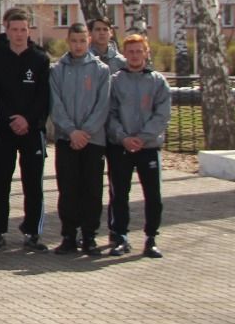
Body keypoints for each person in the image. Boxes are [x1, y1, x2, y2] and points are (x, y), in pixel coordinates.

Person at [0, 7, 52, 250]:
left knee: (33, 184)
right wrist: (11, 118)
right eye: (15, 30)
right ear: (7, 30)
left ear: (28, 30)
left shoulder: (40, 59)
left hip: (32, 131)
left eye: (23, 29)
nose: (19, 34)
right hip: (3, 129)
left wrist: (28, 120)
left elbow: (44, 96)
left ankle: (32, 233)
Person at [105, 34, 171, 258]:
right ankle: (120, 236)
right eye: (130, 52)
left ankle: (151, 237)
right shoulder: (115, 80)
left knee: (153, 195)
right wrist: (123, 137)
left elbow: (162, 115)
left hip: (148, 147)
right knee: (119, 194)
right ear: (125, 54)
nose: (134, 56)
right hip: (121, 147)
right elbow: (110, 113)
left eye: (138, 51)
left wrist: (143, 137)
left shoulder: (157, 81)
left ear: (146, 52)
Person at [50, 23, 112, 256]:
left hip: (93, 140)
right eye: (74, 41)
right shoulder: (57, 70)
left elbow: (102, 105)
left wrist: (85, 132)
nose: (78, 45)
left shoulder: (101, 70)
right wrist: (71, 131)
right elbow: (56, 106)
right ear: (68, 41)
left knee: (92, 190)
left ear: (89, 41)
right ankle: (68, 235)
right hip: (67, 140)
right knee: (68, 189)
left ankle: (89, 236)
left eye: (82, 41)